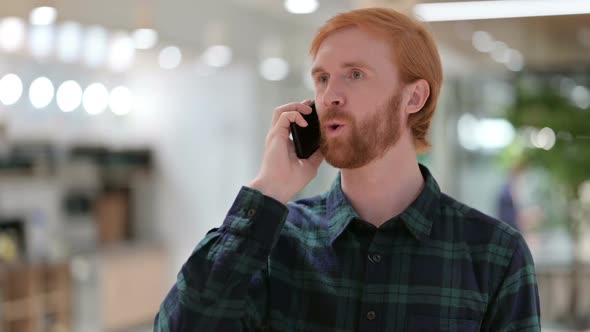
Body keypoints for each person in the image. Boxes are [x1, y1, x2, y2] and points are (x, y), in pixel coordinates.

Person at [154, 7, 541, 331]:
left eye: (355, 74)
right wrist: (268, 190)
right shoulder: (276, 242)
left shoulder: (494, 254)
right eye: (322, 78)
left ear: (414, 97)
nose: (329, 96)